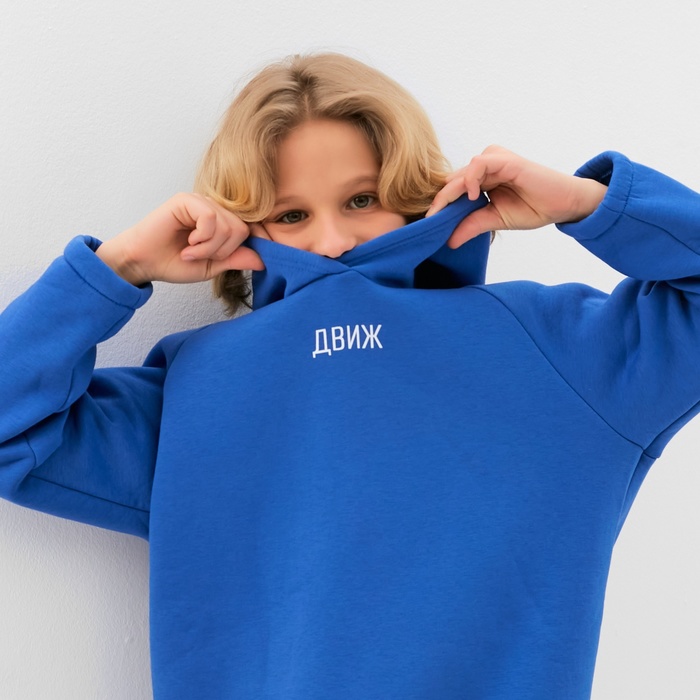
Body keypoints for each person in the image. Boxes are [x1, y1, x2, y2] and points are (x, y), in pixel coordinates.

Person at [0, 51, 698, 700]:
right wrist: (118, 267)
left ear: (414, 192)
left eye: (362, 199)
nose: (332, 242)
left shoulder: (554, 348)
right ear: (245, 228)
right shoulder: (197, 388)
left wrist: (586, 203)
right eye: (291, 214)